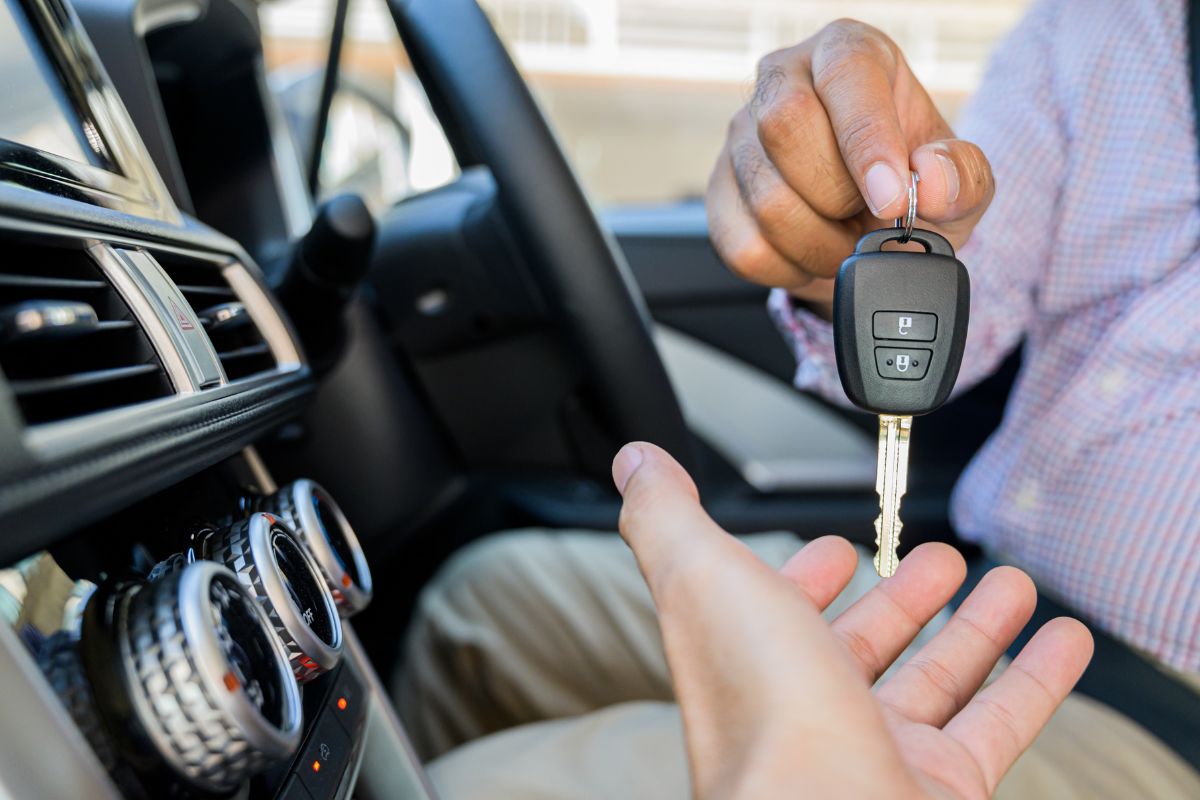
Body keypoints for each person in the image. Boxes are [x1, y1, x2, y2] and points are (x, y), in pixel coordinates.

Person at [395, 1, 1200, 796]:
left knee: (475, 788)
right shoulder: (1106, 22)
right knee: (481, 607)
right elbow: (966, 289)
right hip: (971, 596)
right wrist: (836, 239)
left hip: (1170, 720)